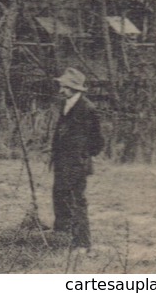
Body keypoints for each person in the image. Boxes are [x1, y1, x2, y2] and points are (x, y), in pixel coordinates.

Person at [50, 67, 105, 252]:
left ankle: (82, 243)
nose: (61, 90)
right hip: (61, 162)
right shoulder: (65, 104)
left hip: (76, 164)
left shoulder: (87, 108)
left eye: (64, 87)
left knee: (76, 201)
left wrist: (82, 156)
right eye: (61, 86)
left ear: (75, 88)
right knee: (60, 196)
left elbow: (97, 141)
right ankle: (62, 237)